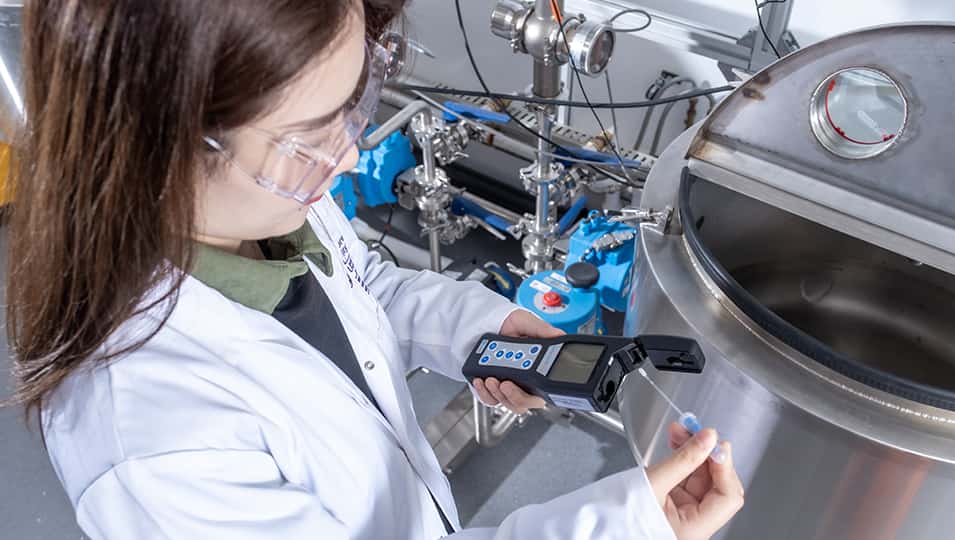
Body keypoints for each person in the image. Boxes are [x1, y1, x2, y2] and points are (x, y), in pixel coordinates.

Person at [5, 1, 743, 539]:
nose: (350, 155)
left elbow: (368, 289)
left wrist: (484, 329)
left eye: (351, 106)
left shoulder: (270, 208)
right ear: (164, 145)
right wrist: (627, 525)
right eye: (309, 138)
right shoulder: (157, 448)